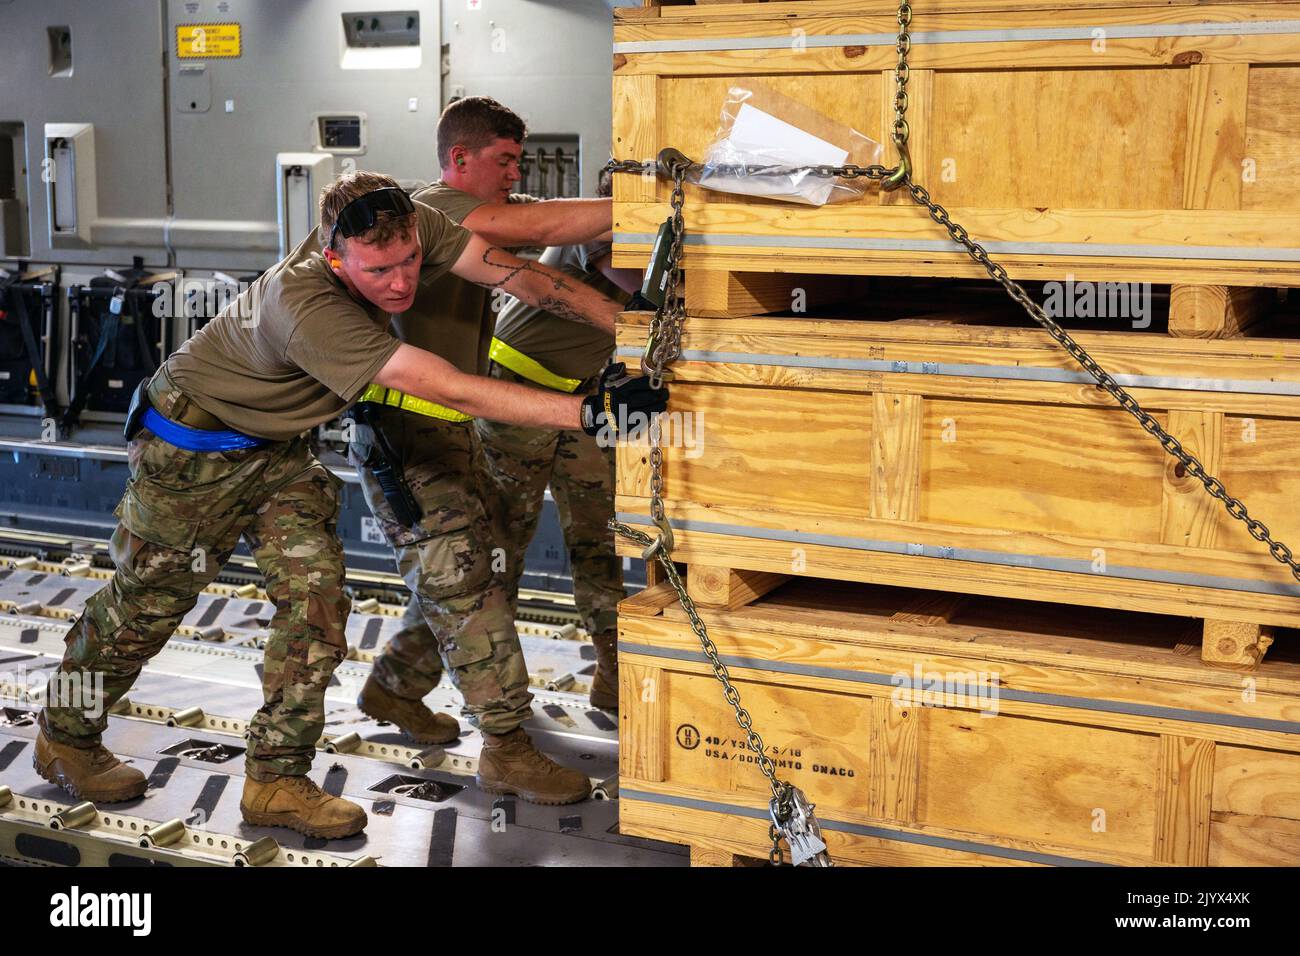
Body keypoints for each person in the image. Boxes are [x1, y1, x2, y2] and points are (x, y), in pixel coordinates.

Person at [34, 171, 666, 840]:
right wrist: (594, 412)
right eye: (380, 270)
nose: (401, 284)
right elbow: (450, 389)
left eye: (410, 263)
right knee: (146, 605)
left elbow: (519, 276)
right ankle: (66, 735)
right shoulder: (307, 305)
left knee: (318, 603)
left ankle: (277, 779)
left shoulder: (411, 228)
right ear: (335, 257)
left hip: (278, 451)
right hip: (191, 447)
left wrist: (630, 325)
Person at [351, 97, 627, 805]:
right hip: (447, 420)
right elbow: (544, 233)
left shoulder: (470, 228)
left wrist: (622, 325)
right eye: (504, 160)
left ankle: (405, 688)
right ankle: (478, 730)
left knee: (510, 562)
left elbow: (535, 265)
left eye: (519, 161)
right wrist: (650, 204)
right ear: (459, 159)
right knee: (478, 573)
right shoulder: (428, 208)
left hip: (507, 414)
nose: (516, 173)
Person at [476, 169, 639, 712]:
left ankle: (614, 674)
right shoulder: (600, 230)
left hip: (580, 399)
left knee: (598, 532)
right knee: (500, 543)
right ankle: (411, 682)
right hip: (515, 394)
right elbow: (640, 289)